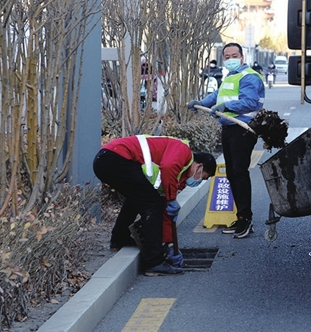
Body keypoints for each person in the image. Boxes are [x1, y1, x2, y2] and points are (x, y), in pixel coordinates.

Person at [93, 136, 216, 276]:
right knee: (152, 204)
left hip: (107, 159)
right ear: (199, 167)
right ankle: (154, 262)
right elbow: (168, 167)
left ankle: (119, 239)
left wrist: (170, 245)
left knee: (138, 198)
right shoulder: (183, 151)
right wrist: (171, 198)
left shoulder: (178, 175)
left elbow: (165, 212)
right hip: (114, 158)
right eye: (203, 177)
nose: (199, 181)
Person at [187, 43, 264, 239]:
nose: (230, 59)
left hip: (243, 129)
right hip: (229, 128)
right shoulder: (230, 76)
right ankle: (241, 217)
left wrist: (226, 106)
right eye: (227, 56)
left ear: (242, 57)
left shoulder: (249, 77)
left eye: (234, 55)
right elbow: (218, 95)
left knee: (239, 173)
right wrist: (201, 103)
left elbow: (250, 102)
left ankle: (245, 219)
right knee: (231, 173)